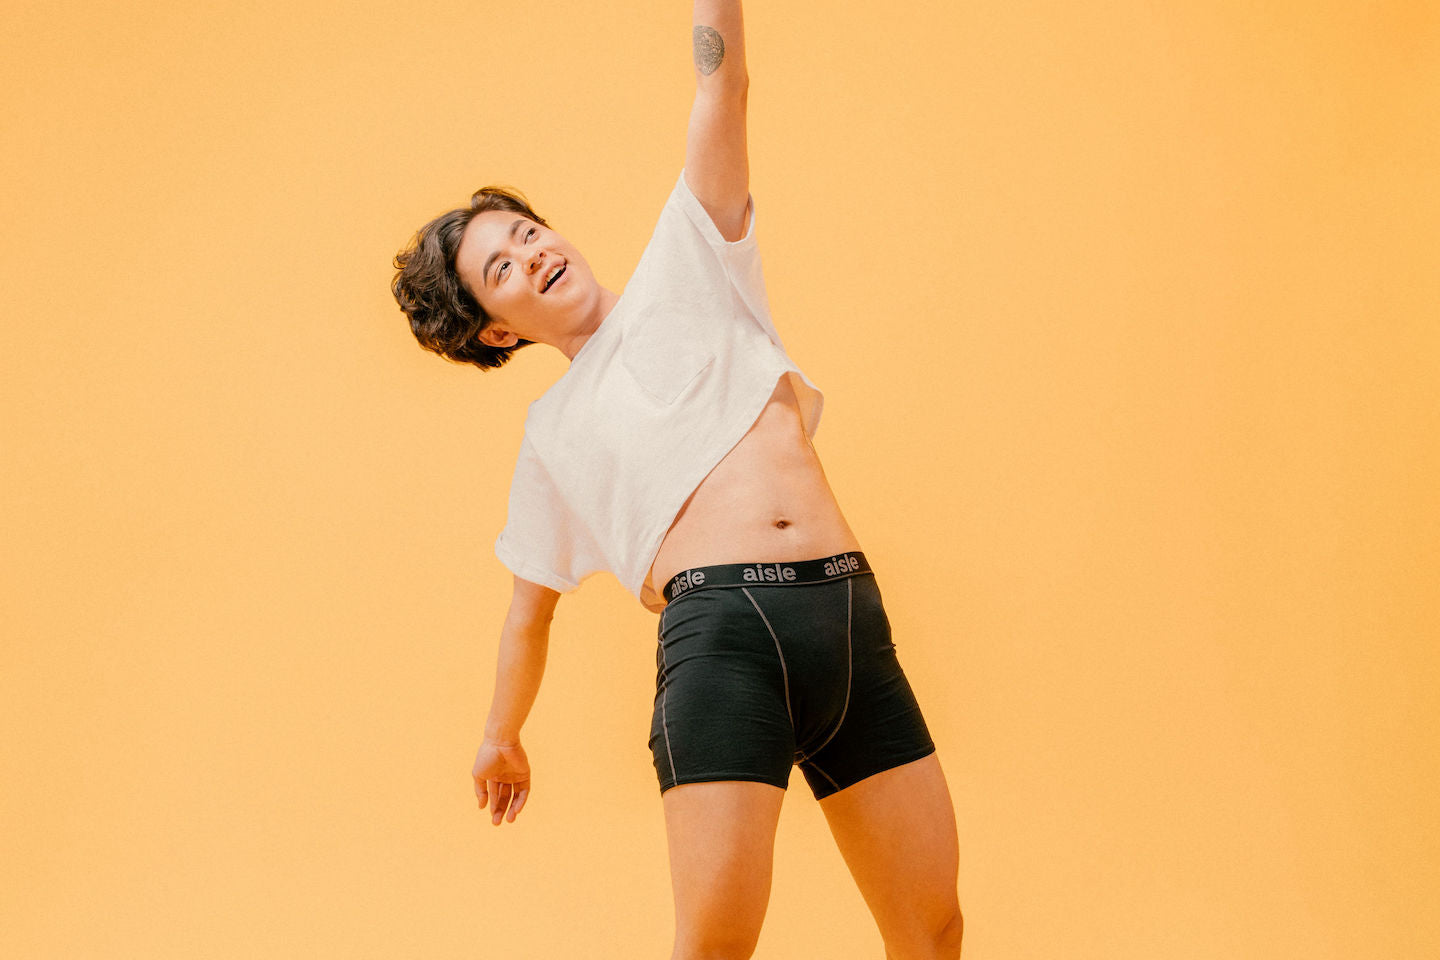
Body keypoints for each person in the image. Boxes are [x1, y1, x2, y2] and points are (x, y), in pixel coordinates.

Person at [391, 3, 963, 957]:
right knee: (715, 948)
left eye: (527, 231)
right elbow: (528, 613)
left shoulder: (694, 256)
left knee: (934, 926)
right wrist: (501, 734)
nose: (534, 252)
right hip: (722, 645)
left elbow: (720, 82)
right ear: (496, 329)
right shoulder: (552, 433)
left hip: (851, 621)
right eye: (503, 266)